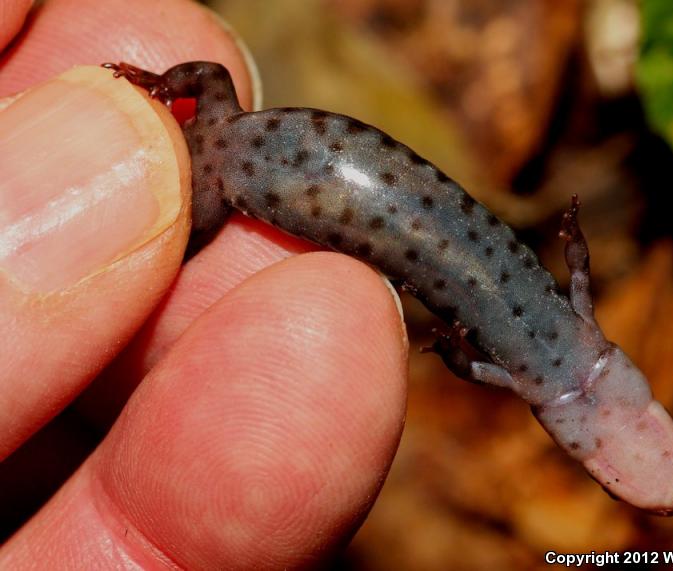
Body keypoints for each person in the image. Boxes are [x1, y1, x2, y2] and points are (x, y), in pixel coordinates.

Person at [0, 0, 407, 568]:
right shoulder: (210, 191)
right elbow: (210, 80)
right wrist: (163, 87)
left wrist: (161, 87)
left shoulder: (211, 174)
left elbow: (209, 78)